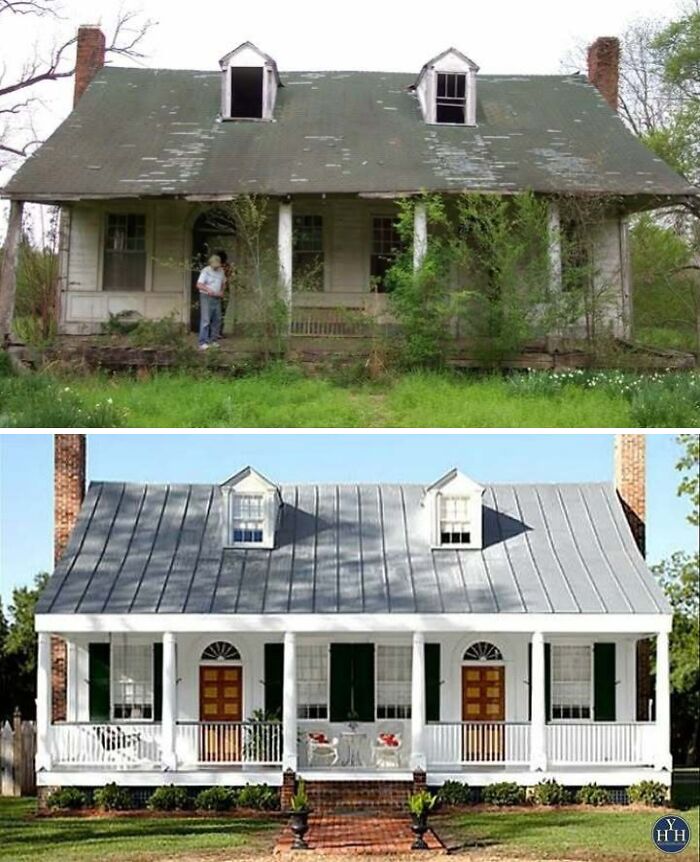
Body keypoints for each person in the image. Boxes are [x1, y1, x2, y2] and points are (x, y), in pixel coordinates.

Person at [197, 254, 225, 350]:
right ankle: (202, 342)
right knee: (206, 319)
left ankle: (213, 340)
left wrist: (222, 291)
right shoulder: (206, 271)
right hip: (206, 297)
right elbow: (199, 284)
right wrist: (208, 290)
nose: (216, 267)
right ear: (211, 264)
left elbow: (223, 283)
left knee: (217, 319)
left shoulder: (221, 271)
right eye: (214, 266)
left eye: (217, 265)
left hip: (217, 297)